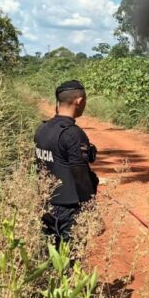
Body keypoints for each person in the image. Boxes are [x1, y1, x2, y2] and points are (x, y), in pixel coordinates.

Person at [35, 80, 99, 243]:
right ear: (79, 101)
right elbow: (80, 174)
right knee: (69, 259)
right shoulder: (73, 134)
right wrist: (91, 209)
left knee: (49, 256)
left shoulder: (42, 129)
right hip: (67, 210)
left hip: (45, 204)